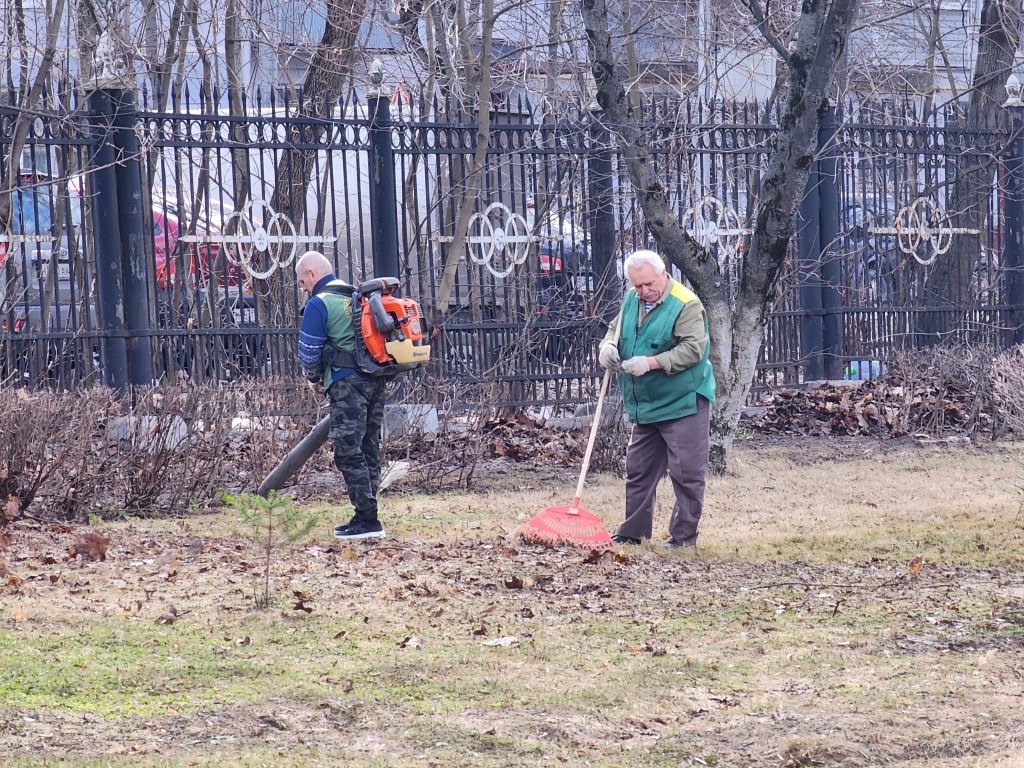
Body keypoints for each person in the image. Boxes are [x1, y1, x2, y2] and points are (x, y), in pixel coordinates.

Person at [598, 250, 716, 549]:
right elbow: (616, 328)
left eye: (649, 284)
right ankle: (631, 532)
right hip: (647, 402)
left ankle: (683, 538)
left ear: (664, 274)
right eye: (637, 286)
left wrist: (650, 363)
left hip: (683, 401)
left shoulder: (686, 304)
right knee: (639, 469)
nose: (644, 291)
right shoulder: (631, 300)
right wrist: (608, 345)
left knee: (686, 473)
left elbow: (692, 350)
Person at [295, 250, 388, 540]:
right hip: (376, 378)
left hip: (346, 383)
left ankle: (368, 519)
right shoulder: (357, 296)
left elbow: (309, 353)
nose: (303, 288)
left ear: (312, 274)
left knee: (347, 450)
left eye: (302, 281)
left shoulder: (319, 303)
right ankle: (368, 514)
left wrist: (312, 379)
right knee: (369, 445)